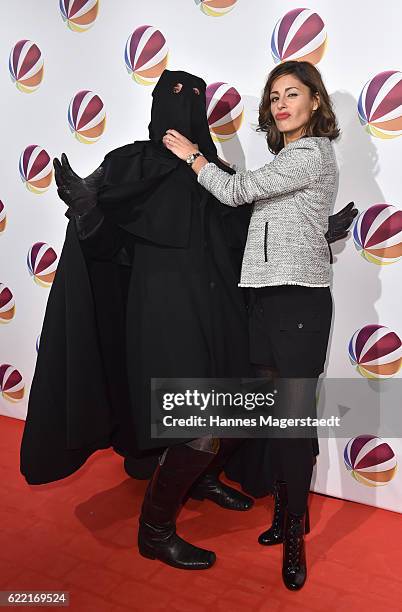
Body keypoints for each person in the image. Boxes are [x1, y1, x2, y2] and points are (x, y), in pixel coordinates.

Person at [20, 68, 354, 573]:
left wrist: (312, 229)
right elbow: (109, 250)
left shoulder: (214, 171)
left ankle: (201, 479)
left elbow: (245, 228)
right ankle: (155, 530)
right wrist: (88, 211)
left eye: (195, 95)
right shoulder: (131, 163)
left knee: (247, 408)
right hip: (161, 320)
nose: (187, 103)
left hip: (222, 316)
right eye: (176, 94)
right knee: (198, 425)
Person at [163, 60, 353, 588]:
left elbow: (237, 190)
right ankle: (285, 513)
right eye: (274, 98)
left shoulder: (311, 152)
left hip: (298, 306)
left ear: (315, 101)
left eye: (293, 94)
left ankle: (294, 532)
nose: (282, 104)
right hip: (266, 303)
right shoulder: (287, 157)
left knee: (293, 423)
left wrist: (195, 157)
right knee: (276, 418)